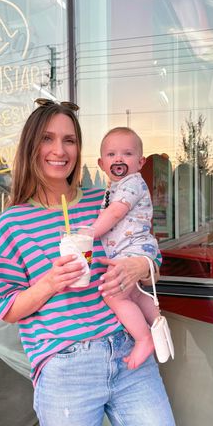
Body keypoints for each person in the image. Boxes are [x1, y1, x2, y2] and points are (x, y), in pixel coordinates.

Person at [0, 99, 195, 426]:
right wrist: (49, 282)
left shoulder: (105, 200)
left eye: (69, 140)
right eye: (48, 139)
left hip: (129, 356)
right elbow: (6, 307)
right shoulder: (11, 223)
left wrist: (139, 266)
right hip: (66, 368)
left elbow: (145, 248)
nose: (59, 150)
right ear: (31, 146)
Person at [91, 127, 159, 369]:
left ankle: (143, 338)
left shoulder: (132, 183)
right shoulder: (114, 189)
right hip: (132, 250)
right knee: (135, 294)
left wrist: (90, 233)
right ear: (101, 163)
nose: (118, 159)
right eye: (111, 155)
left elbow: (115, 212)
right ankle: (157, 323)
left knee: (113, 295)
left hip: (133, 249)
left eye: (127, 154)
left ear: (140, 162)